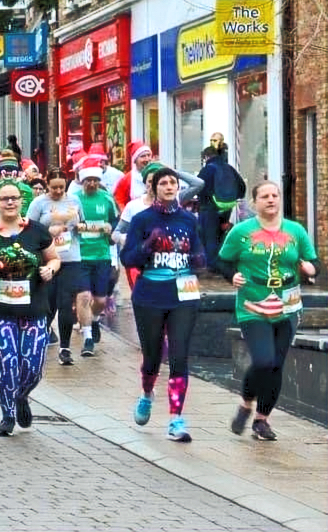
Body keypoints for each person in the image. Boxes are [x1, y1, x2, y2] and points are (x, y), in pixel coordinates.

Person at [218, 181, 320, 441]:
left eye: (275, 195)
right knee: (263, 360)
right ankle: (246, 403)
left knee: (276, 365)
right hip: (253, 304)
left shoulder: (295, 230)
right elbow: (222, 260)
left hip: (288, 305)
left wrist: (310, 270)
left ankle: (262, 421)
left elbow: (312, 262)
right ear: (255, 203)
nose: (271, 200)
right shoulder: (241, 231)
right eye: (265, 196)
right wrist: (234, 275)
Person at [0, 181, 60, 436]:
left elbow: (54, 258)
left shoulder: (37, 232)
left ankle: (21, 396)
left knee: (32, 365)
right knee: (8, 361)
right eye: (4, 198)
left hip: (33, 309)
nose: (10, 202)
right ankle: (7, 415)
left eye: (14, 198)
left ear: (22, 202)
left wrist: (50, 269)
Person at [121, 166, 207, 443]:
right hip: (150, 294)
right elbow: (128, 258)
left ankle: (175, 419)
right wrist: (147, 245)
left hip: (184, 293)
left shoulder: (188, 219)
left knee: (180, 355)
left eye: (173, 183)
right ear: (154, 188)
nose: (170, 187)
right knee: (153, 357)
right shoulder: (143, 219)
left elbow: (200, 254)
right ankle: (147, 392)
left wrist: (198, 261)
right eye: (164, 183)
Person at [26, 167, 93, 363]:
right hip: (47, 260)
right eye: (54, 187)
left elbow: (82, 223)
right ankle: (39, 340)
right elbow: (29, 230)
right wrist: (49, 231)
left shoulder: (74, 200)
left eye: (61, 188)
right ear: (47, 185)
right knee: (48, 304)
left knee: (66, 304)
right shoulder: (39, 203)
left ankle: (65, 349)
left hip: (71, 259)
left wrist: (80, 227)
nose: (57, 191)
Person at [74, 158, 120, 347]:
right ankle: (87, 338)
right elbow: (68, 224)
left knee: (100, 300)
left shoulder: (107, 199)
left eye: (95, 180)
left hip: (102, 255)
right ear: (82, 181)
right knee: (84, 296)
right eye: (88, 180)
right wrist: (77, 227)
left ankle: (93, 321)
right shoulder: (74, 199)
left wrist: (111, 230)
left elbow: (116, 222)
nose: (91, 183)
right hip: (81, 255)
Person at [197, 145, 247, 272]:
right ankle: (223, 262)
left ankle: (213, 267)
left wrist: (204, 201)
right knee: (221, 235)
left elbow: (199, 188)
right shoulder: (229, 168)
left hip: (209, 208)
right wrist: (232, 198)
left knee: (209, 237)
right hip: (227, 207)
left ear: (206, 157)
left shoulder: (207, 170)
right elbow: (242, 186)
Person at [113, 141, 153, 210]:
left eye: (148, 155)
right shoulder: (127, 178)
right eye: (143, 156)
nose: (147, 159)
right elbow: (119, 199)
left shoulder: (158, 174)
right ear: (135, 160)